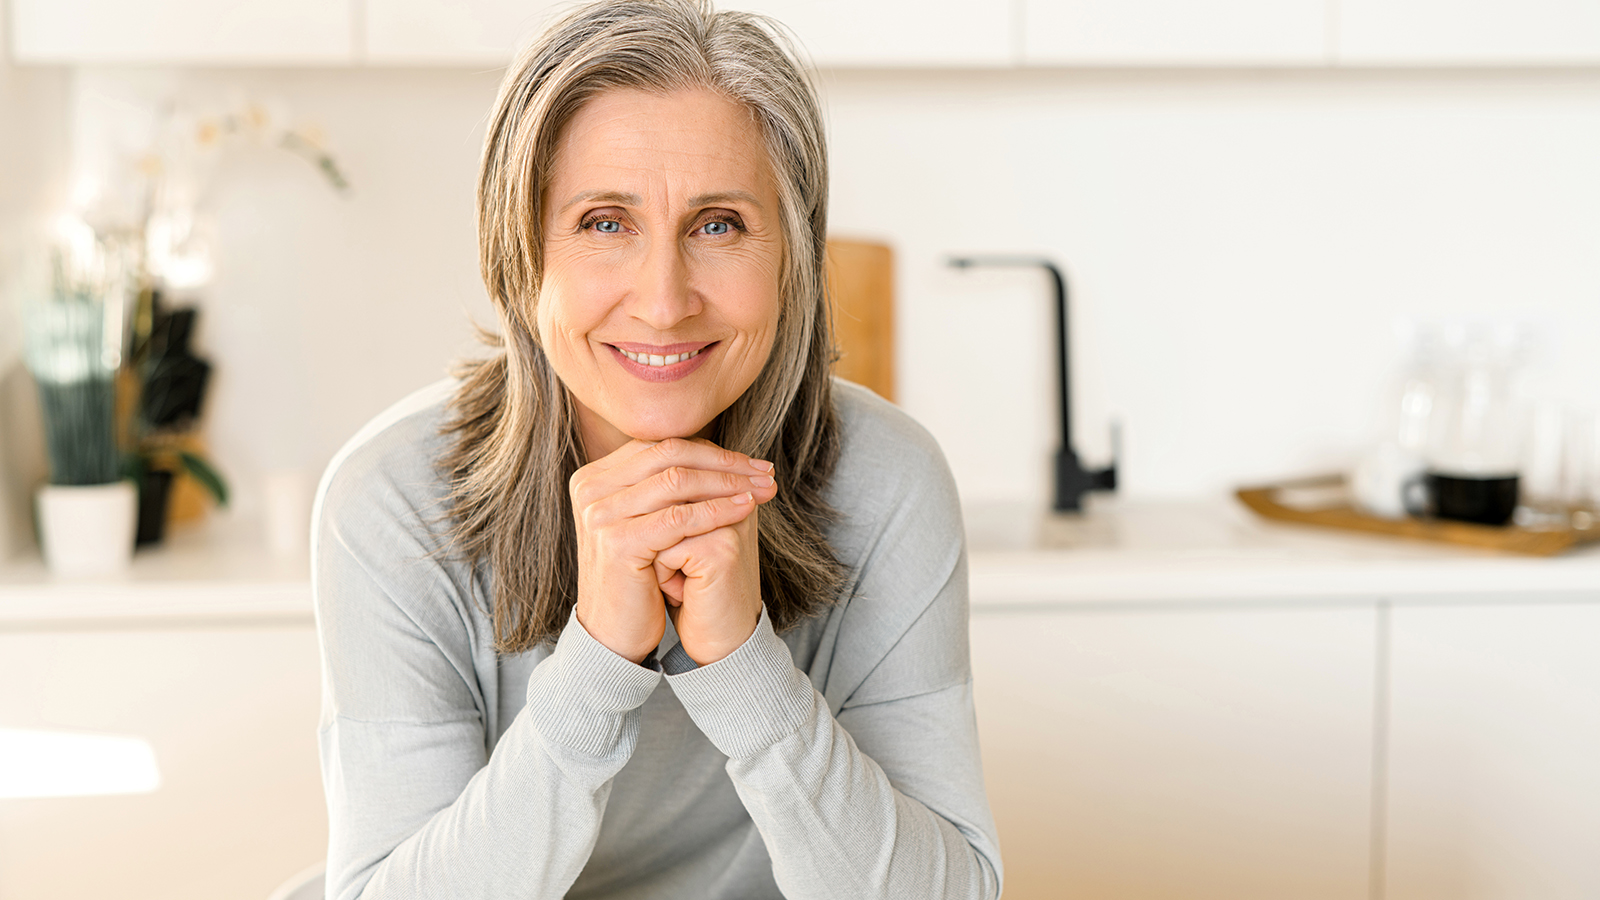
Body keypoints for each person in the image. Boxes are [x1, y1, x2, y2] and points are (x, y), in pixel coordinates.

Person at [312, 1, 1002, 897]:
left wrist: (747, 669)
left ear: (791, 253)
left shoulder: (887, 481)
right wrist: (595, 671)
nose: (665, 300)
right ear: (520, 256)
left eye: (718, 224)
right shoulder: (391, 500)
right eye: (606, 222)